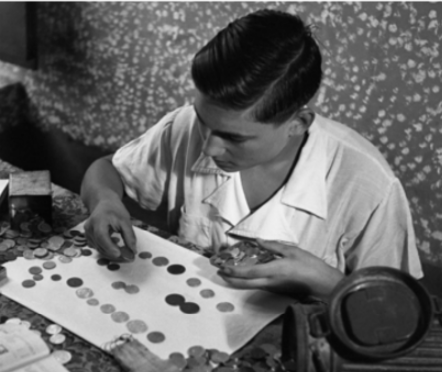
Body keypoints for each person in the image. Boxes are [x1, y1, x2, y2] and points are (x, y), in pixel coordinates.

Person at [81, 9, 423, 299]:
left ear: (297, 123)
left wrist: (329, 283)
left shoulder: (368, 184)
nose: (209, 147)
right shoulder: (184, 126)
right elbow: (106, 169)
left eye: (234, 138)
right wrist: (104, 201)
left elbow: (395, 311)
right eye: (203, 122)